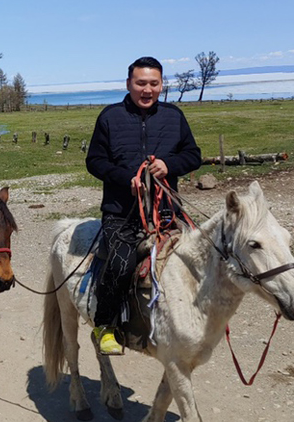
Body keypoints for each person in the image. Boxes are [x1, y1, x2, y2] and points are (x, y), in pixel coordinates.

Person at [85, 57, 202, 355]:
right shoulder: (110, 117)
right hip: (121, 214)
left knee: (205, 257)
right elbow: (94, 162)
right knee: (121, 263)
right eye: (140, 83)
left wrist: (169, 165)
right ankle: (105, 325)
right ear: (128, 84)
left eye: (154, 83)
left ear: (162, 85)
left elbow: (193, 155)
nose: (147, 90)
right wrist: (127, 178)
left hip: (167, 212)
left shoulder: (174, 116)